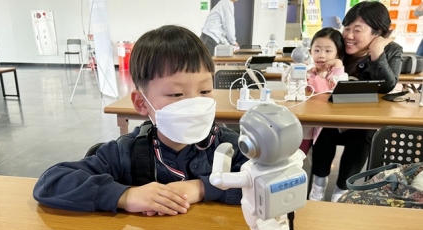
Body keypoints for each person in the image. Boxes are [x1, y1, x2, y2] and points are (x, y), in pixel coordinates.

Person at [33, 25, 248, 216]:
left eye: (205, 90)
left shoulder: (227, 145)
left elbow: (271, 182)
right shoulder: (126, 152)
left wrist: (201, 188)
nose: (194, 103)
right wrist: (125, 196)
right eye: (176, 94)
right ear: (141, 103)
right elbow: (50, 182)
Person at [309, 1, 403, 202]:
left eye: (357, 30)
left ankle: (342, 190)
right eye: (347, 28)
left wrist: (377, 50)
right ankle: (318, 182)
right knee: (323, 125)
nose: (349, 35)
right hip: (331, 115)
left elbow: (386, 85)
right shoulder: (338, 45)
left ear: (378, 33)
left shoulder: (392, 50)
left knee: (363, 132)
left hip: (362, 121)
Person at [299, 27, 348, 155]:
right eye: (317, 50)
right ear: (310, 52)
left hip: (327, 123)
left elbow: (338, 91)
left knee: (324, 144)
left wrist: (337, 66)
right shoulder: (306, 72)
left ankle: (319, 175)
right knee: (299, 153)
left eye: (328, 51)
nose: (321, 55)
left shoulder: (338, 74)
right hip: (305, 119)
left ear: (337, 54)